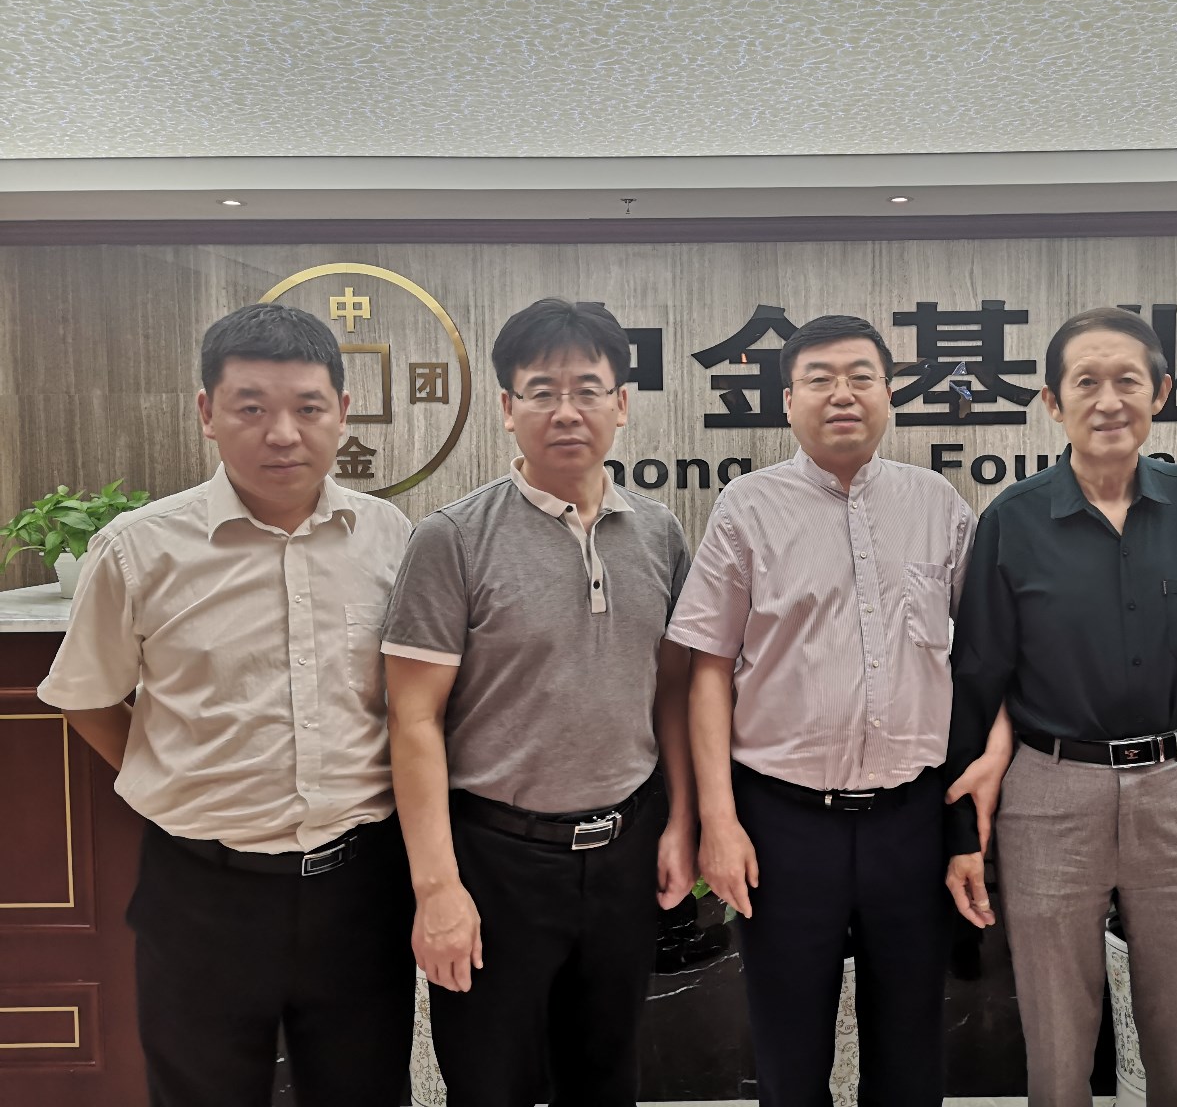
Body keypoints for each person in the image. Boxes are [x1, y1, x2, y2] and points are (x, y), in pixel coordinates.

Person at [37, 302, 416, 1107]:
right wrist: (179, 776)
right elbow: (88, 698)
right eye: (251, 408)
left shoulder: (390, 538)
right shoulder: (139, 549)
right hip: (201, 896)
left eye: (307, 408)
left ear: (342, 413)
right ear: (207, 412)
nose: (282, 434)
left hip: (360, 888)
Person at [944, 306, 1177, 1107]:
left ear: (1160, 393)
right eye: (1086, 383)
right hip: (1048, 792)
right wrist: (962, 832)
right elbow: (978, 677)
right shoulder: (1012, 521)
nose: (1108, 401)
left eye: (1127, 381)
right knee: (1056, 1055)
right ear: (1051, 401)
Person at [381, 297, 695, 1107]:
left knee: (607, 1079)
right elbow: (412, 720)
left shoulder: (658, 533)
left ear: (622, 404)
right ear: (506, 406)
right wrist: (437, 889)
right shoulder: (452, 538)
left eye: (588, 389)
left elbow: (673, 692)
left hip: (625, 850)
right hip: (496, 862)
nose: (566, 411)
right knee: (491, 1086)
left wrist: (681, 822)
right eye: (542, 391)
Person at [666, 314, 976, 1106]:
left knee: (911, 1056)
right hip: (783, 825)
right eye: (819, 379)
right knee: (789, 1055)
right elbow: (708, 671)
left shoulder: (937, 504)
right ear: (787, 399)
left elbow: (979, 660)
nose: (843, 394)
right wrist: (719, 822)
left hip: (912, 819)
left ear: (889, 392)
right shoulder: (747, 508)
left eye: (861, 376)